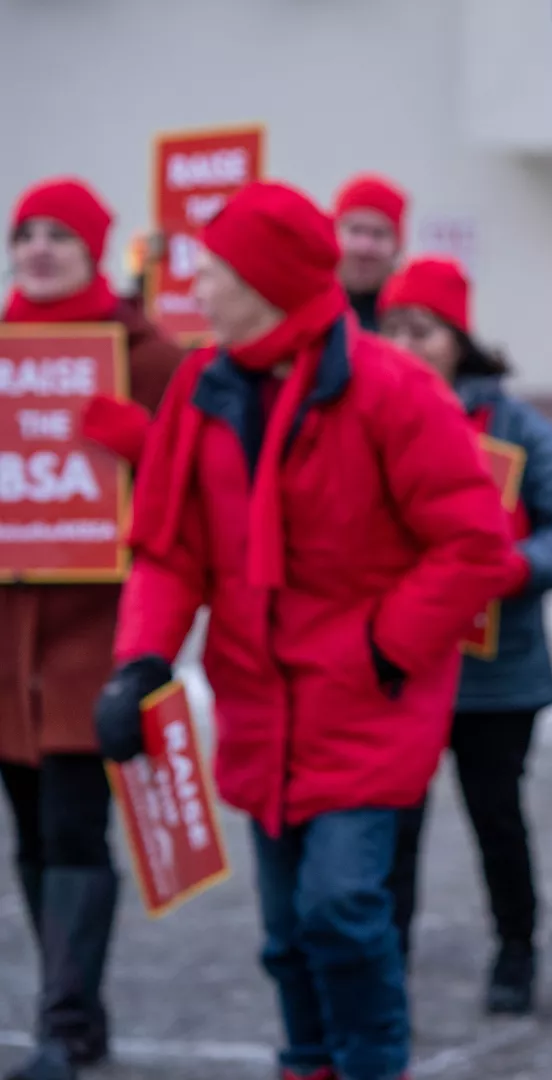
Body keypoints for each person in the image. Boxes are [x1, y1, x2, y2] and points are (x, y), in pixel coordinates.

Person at [92, 181, 520, 1080]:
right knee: (286, 928)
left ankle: (370, 1064)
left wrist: (381, 647)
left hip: (369, 701)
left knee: (341, 908)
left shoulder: (391, 389)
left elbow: (475, 545)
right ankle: (307, 1061)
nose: (198, 290)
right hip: (257, 703)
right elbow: (170, 553)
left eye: (213, 272)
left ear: (266, 282)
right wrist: (140, 663)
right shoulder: (204, 391)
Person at [377, 256, 552, 1015]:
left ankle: (516, 948)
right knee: (390, 827)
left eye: (424, 330)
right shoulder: (361, 415)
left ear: (459, 340)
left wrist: (515, 567)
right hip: (395, 665)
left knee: (495, 817)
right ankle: (384, 957)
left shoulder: (517, 427)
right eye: (394, 327)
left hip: (495, 673)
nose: (407, 343)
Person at [0, 178, 185, 1080]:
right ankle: (76, 1009)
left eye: (57, 236)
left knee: (76, 829)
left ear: (93, 249)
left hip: (91, 635)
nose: (37, 249)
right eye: (24, 235)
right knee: (31, 836)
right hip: (5, 641)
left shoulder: (147, 356)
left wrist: (146, 445)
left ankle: (65, 1024)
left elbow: (200, 482)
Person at [334, 173, 407, 331]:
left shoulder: (409, 325)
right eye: (355, 230)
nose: (365, 247)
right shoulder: (308, 306)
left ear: (398, 246)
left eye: (378, 234)